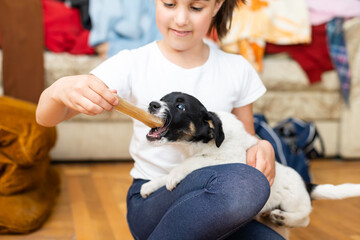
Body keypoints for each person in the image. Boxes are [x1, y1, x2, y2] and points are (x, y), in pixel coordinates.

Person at [36, 0, 284, 239]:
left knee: (250, 185)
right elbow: (45, 118)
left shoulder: (237, 68)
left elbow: (245, 141)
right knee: (246, 184)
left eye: (196, 7)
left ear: (217, 5)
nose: (181, 19)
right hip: (152, 199)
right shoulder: (132, 62)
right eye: (169, 4)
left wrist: (262, 145)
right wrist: (58, 91)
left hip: (216, 199)